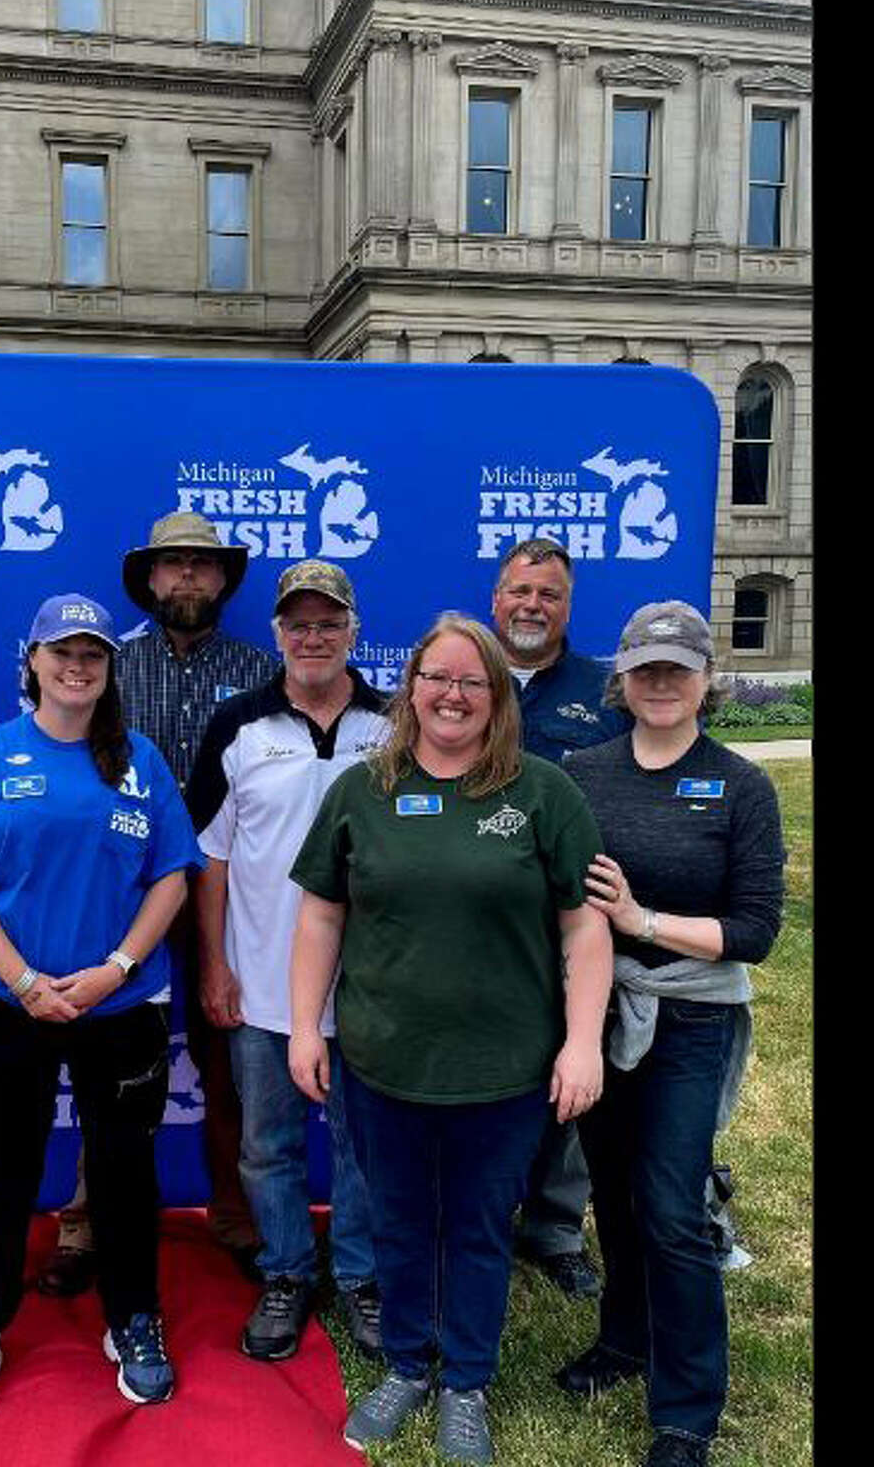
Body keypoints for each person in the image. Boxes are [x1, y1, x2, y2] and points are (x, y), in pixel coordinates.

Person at [288, 613, 612, 1464]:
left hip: (503, 1071)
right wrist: (302, 1028)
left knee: (475, 1227)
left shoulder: (542, 792)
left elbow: (585, 929)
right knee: (397, 1222)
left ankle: (466, 1379)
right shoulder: (364, 790)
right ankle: (406, 1364)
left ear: (498, 695)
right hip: (380, 1061)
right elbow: (321, 914)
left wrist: (582, 1043)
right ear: (412, 688)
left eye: (474, 680)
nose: (453, 694)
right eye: (437, 677)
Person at [0, 594, 203, 1418]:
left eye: (94, 656)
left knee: (124, 1170)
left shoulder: (138, 758)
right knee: (3, 1171)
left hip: (121, 1002)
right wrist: (24, 982)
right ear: (32, 662)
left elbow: (172, 875)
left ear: (110, 671)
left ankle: (134, 1317)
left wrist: (115, 968)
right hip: (8, 1001)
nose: (78, 667)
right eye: (62, 653)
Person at [555, 601, 784, 1467]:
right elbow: (566, 895)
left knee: (671, 1204)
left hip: (692, 1015)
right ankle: (625, 1339)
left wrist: (643, 918)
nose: (660, 682)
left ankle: (686, 1407)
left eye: (677, 667)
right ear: (622, 677)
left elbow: (756, 929)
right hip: (602, 1008)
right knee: (610, 1189)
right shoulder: (583, 770)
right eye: (645, 667)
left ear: (705, 679)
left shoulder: (740, 784)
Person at [37, 511, 277, 1298]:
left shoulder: (257, 668)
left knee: (228, 1058)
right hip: (115, 891)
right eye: (173, 565)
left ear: (223, 582)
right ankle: (84, 1221)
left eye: (203, 567)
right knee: (100, 1057)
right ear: (148, 578)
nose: (187, 579)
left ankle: (236, 1215)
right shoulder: (106, 667)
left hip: (225, 892)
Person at [186, 561, 387, 1364]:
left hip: (372, 991)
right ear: (276, 634)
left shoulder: (394, 725)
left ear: (353, 631)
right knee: (267, 1144)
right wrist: (215, 965)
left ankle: (364, 1277)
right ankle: (286, 1273)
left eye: (328, 623)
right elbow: (210, 859)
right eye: (298, 624)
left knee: (362, 1146)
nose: (313, 637)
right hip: (263, 987)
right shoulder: (238, 725)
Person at [491, 536, 630, 1299]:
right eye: (520, 591)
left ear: (569, 606)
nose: (532, 605)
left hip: (576, 921)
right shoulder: (464, 678)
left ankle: (553, 1226)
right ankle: (481, 1213)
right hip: (484, 924)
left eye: (548, 594)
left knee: (575, 1074)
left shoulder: (603, 693)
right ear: (496, 599)